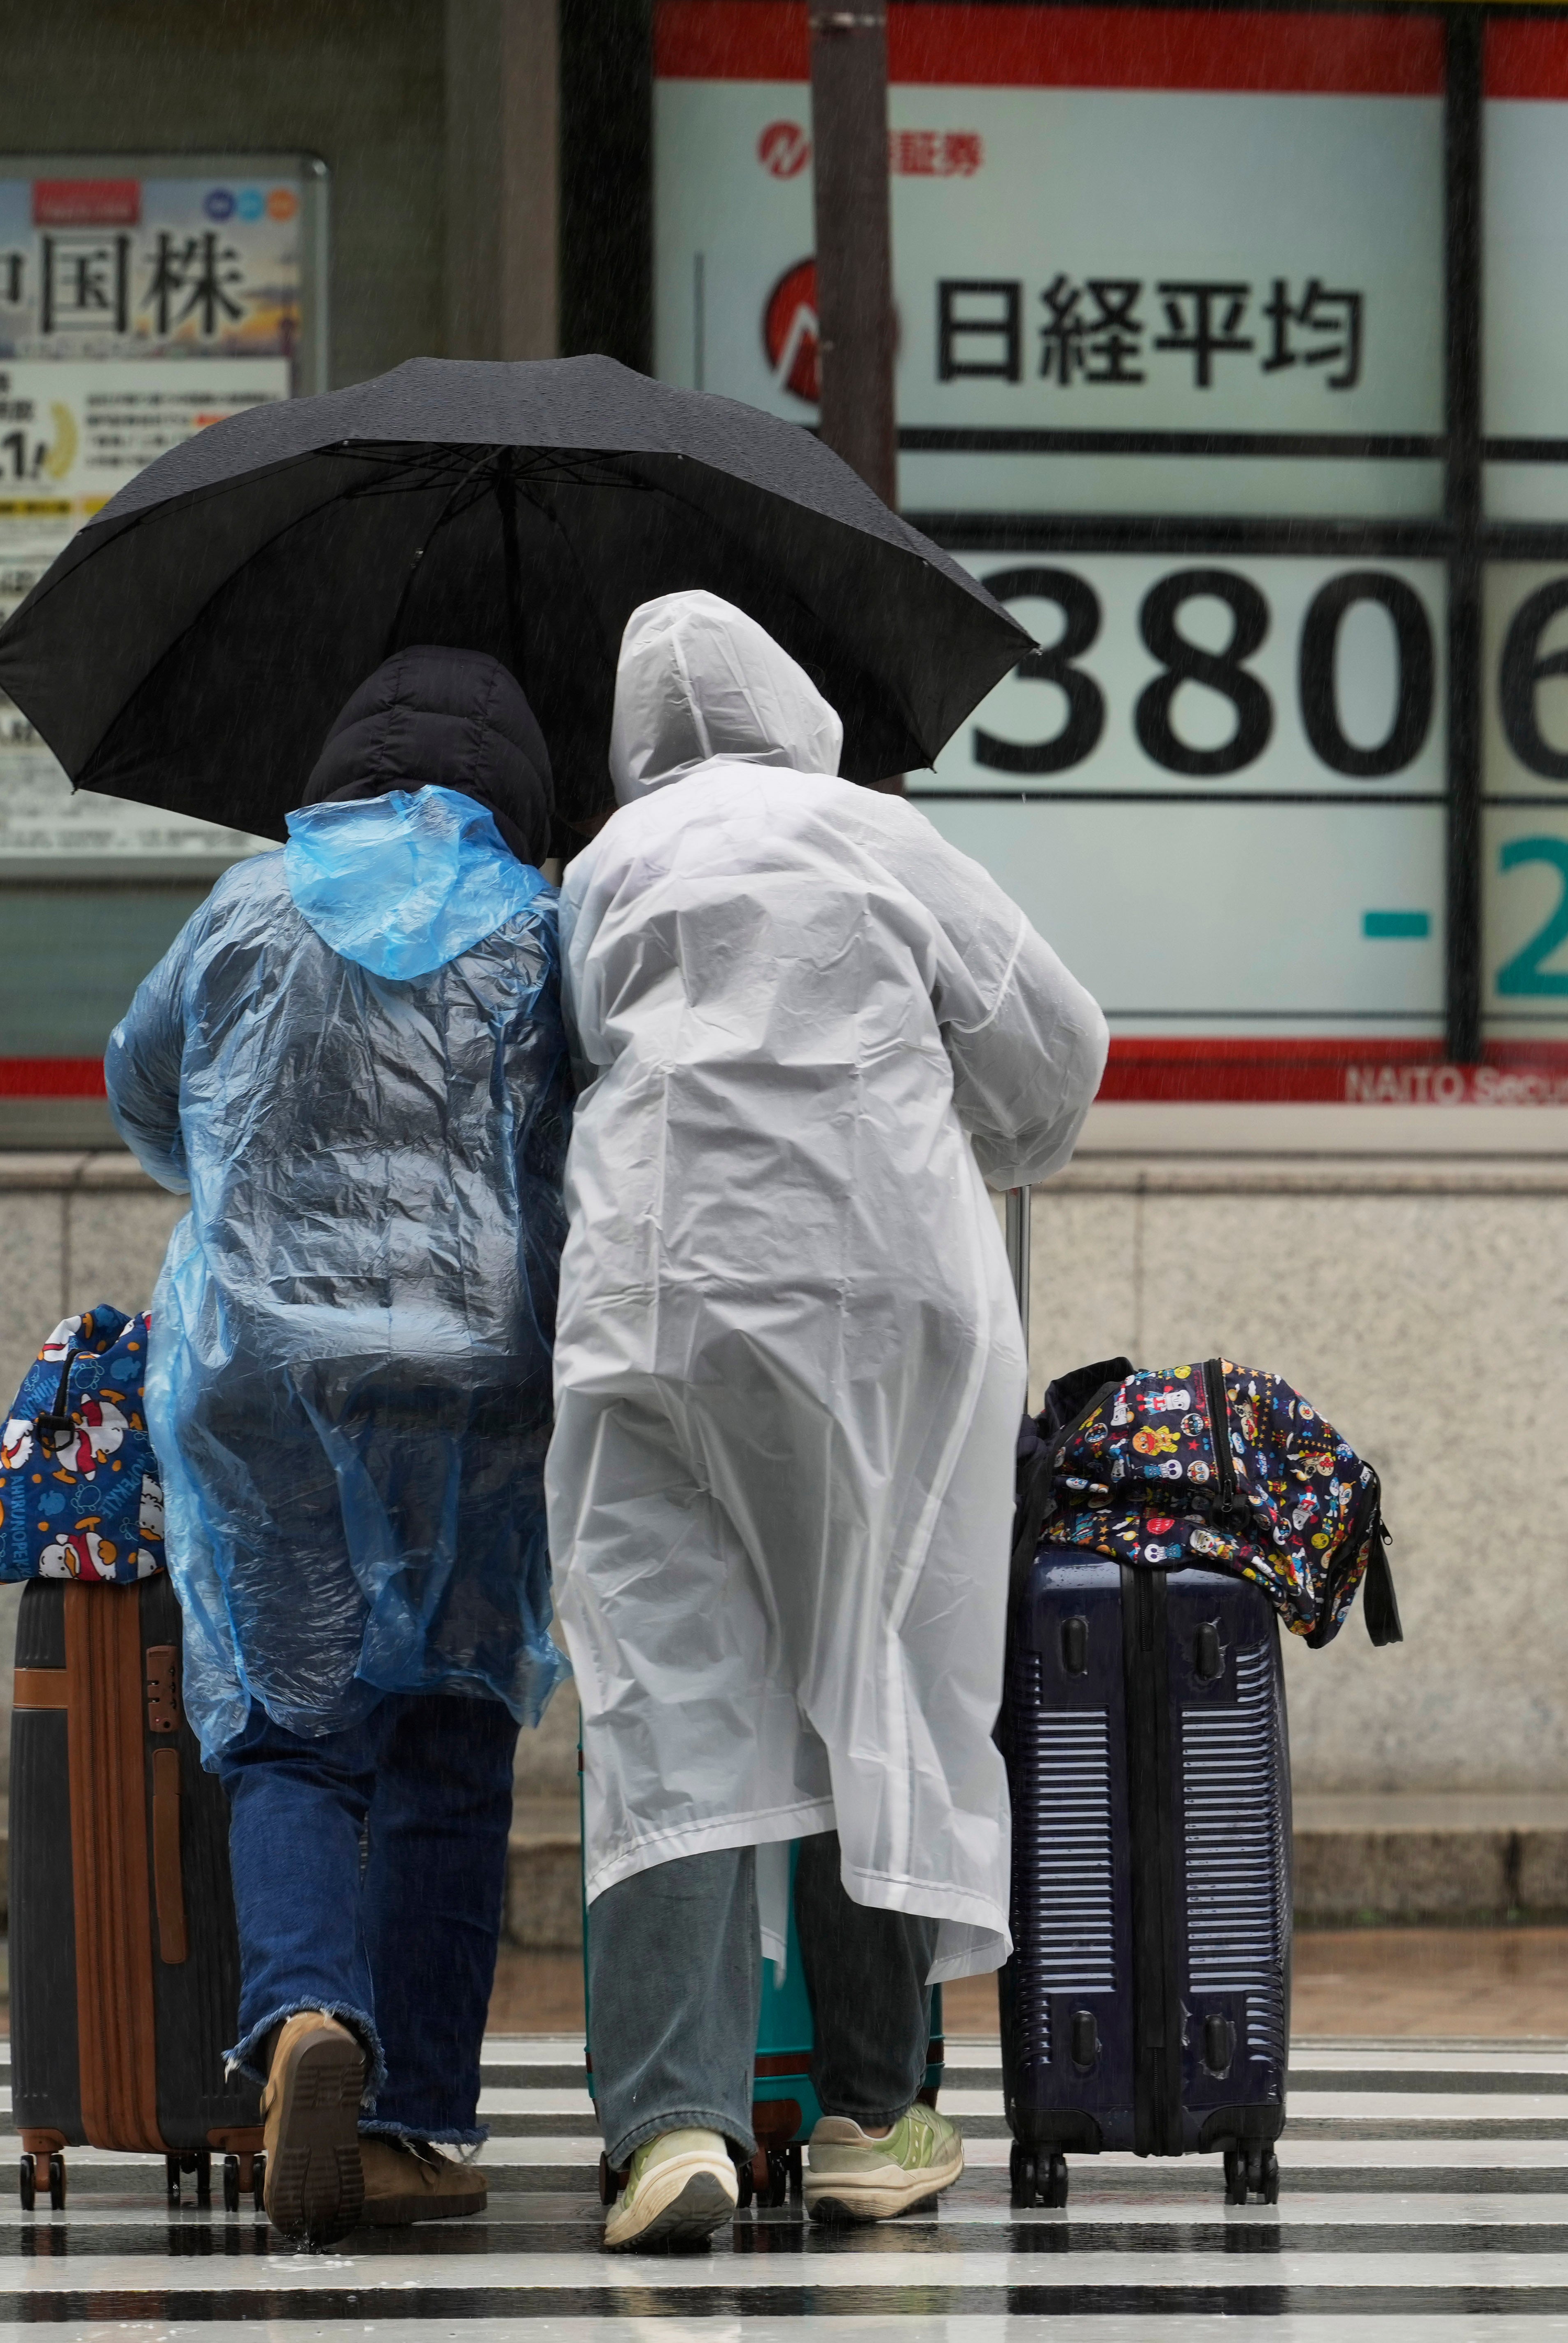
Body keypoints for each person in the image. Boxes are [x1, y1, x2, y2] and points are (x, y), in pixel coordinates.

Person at [551, 590, 1105, 2252]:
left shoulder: (602, 870)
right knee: (883, 1667)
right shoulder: (881, 836)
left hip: (652, 1296)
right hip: (882, 1303)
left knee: (662, 1684)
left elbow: (585, 1057)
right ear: (798, 702)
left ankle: (671, 2127)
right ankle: (871, 2112)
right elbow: (1057, 1067)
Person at [105, 647, 574, 2241]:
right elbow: (578, 1139)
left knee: (291, 1731)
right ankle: (414, 2122)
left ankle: (305, 2010)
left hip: (264, 1385)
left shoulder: (247, 907)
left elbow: (143, 1083)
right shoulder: (538, 930)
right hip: (475, 1395)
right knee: (450, 1733)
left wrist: (244, 1194)